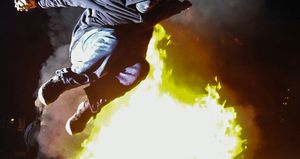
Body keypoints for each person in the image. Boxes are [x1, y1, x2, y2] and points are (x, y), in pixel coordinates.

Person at [14, 0, 191, 135]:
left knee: (140, 68)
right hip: (89, 44)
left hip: (117, 57)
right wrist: (34, 1)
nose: (152, 7)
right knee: (111, 40)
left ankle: (92, 102)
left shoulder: (165, 5)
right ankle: (66, 78)